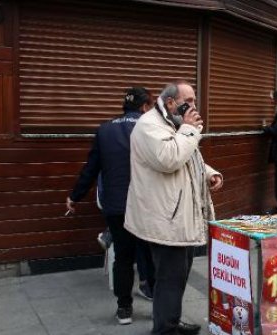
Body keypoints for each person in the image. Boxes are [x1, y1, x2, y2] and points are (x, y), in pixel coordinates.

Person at [125, 81, 224, 335]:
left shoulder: (175, 124)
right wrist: (190, 130)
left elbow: (190, 158)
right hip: (166, 220)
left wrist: (209, 174)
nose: (193, 106)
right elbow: (169, 159)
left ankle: (170, 320)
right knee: (170, 279)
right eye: (188, 101)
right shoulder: (148, 126)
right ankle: (165, 330)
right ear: (170, 103)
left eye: (194, 100)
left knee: (176, 278)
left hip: (180, 217)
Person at [66, 87, 154, 325]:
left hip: (116, 206)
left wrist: (75, 196)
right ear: (145, 106)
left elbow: (91, 169)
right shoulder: (152, 127)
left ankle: (124, 309)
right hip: (148, 205)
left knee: (123, 258)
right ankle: (158, 303)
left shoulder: (105, 130)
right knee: (152, 254)